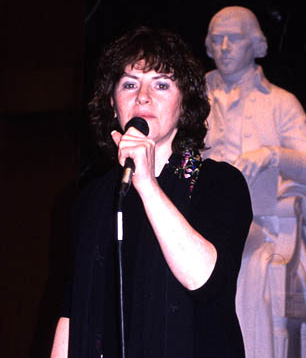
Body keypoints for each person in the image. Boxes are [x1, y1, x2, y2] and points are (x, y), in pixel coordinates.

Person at [50, 26, 252, 358]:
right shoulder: (92, 199)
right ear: (113, 106)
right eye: (129, 84)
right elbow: (71, 311)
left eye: (161, 84)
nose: (143, 97)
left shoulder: (218, 183)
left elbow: (204, 279)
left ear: (184, 103)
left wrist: (146, 183)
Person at [203, 6, 306, 358]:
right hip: (195, 222)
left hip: (262, 228)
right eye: (217, 39)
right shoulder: (191, 99)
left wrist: (273, 154)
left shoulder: (281, 104)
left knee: (245, 258)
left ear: (255, 44)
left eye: (235, 38)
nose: (225, 46)